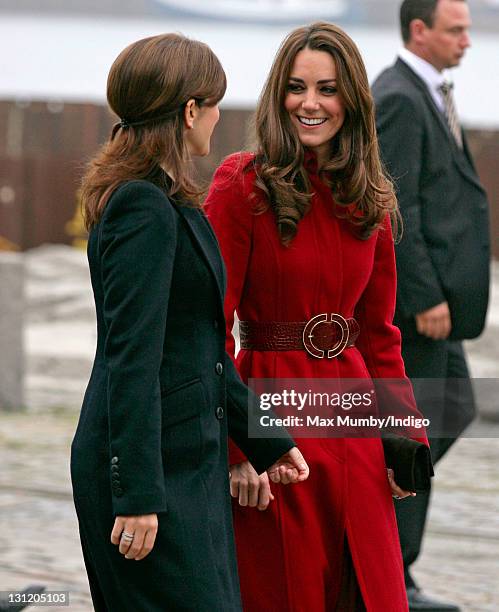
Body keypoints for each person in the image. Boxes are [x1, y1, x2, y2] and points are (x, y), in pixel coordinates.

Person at [70, 33, 309, 612]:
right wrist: (137, 495)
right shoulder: (141, 207)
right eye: (214, 101)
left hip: (187, 463)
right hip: (152, 474)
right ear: (189, 110)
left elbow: (200, 348)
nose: (220, 115)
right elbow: (132, 356)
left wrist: (266, 441)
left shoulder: (169, 201)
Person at [205, 21, 429, 612]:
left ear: (350, 99)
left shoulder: (372, 197)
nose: (311, 103)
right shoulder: (242, 184)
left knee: (371, 594)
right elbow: (205, 328)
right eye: (297, 87)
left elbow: (381, 334)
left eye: (328, 89)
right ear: (279, 95)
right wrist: (241, 446)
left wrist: (406, 433)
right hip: (275, 424)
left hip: (355, 425)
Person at [372, 1, 490, 610]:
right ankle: (390, 567)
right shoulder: (396, 96)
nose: (467, 39)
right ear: (419, 30)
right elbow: (394, 207)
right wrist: (423, 296)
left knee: (454, 411)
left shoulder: (430, 92)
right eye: (456, 29)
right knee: (411, 435)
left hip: (438, 306)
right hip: (419, 309)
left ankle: (387, 551)